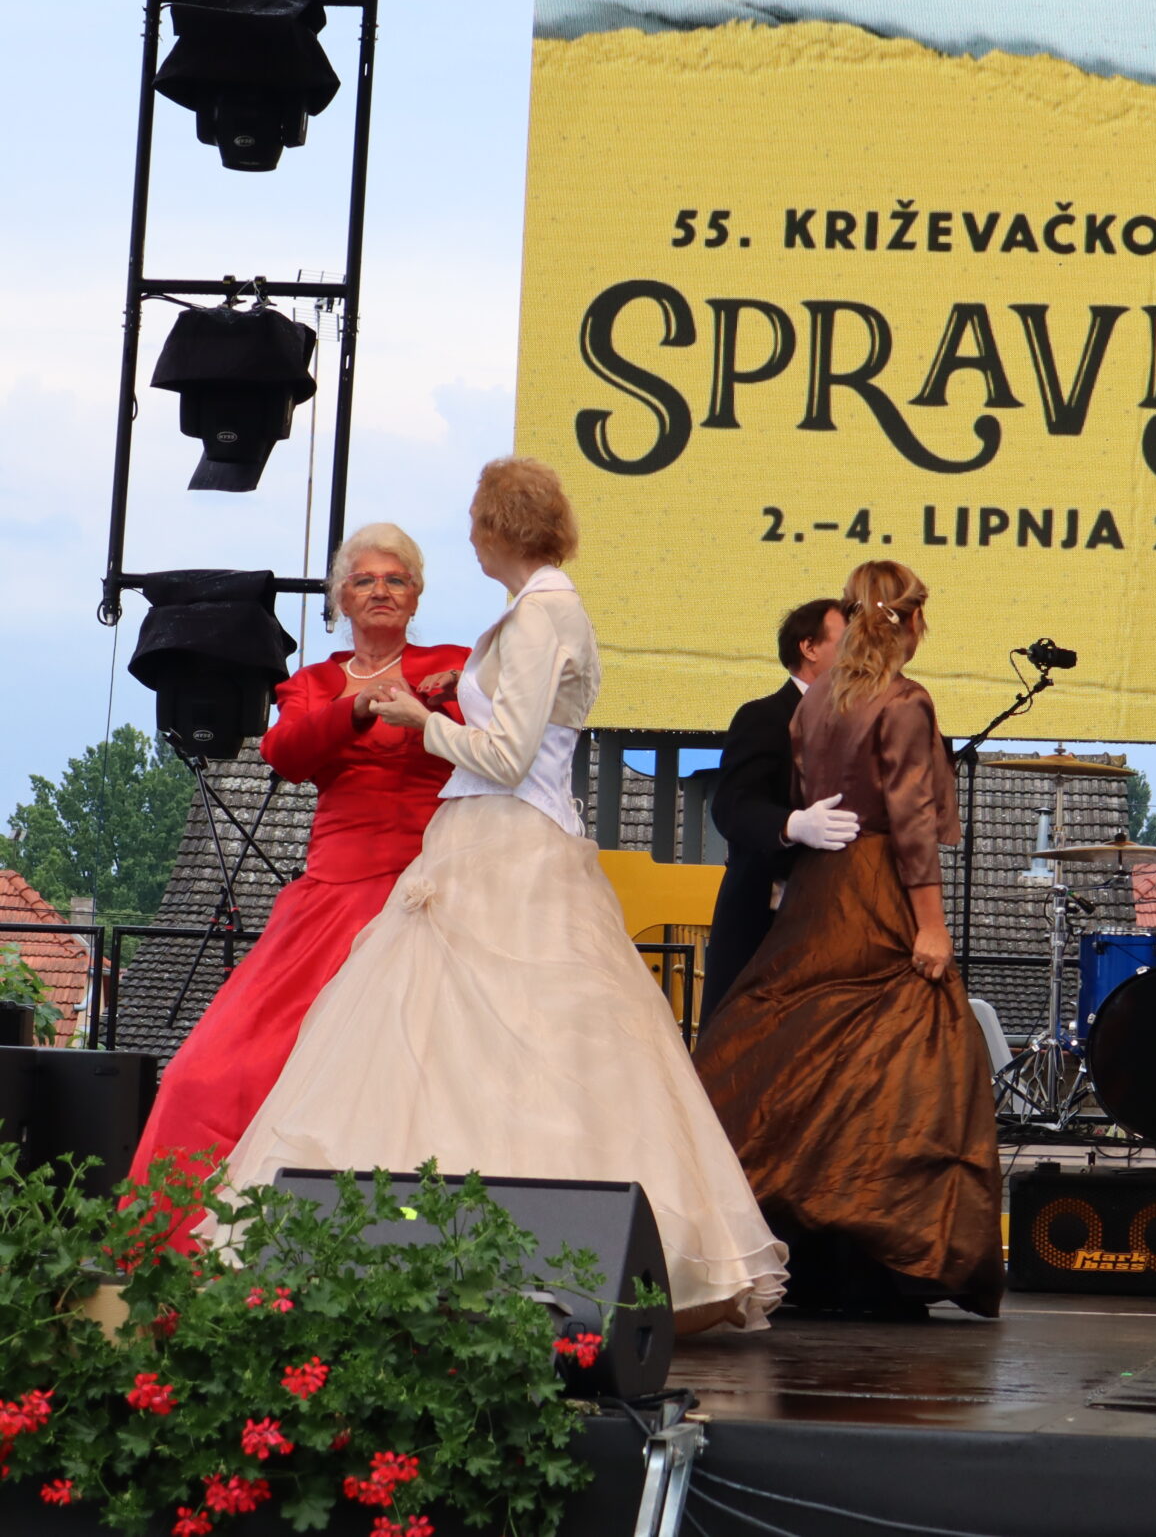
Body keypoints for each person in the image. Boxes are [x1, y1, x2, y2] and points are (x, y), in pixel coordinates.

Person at [223, 459, 787, 1330]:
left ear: (497, 530)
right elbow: (522, 720)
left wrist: (422, 720)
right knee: (480, 1043)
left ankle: (474, 1248)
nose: (472, 539)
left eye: (476, 524)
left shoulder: (540, 614)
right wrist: (459, 689)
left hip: (507, 846)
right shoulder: (537, 610)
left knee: (486, 1043)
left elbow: (507, 756)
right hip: (501, 841)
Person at [691, 560, 1002, 1319]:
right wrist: (931, 925)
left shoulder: (816, 703)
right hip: (879, 891)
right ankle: (893, 1261)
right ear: (908, 621)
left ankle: (806, 1248)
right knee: (915, 1066)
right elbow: (912, 821)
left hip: (818, 893)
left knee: (808, 1063)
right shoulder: (903, 700)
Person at [130, 526, 472, 1182]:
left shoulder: (453, 663)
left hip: (430, 887)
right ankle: (191, 1219)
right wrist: (358, 707)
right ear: (341, 598)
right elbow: (285, 753)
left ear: (416, 594)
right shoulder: (315, 682)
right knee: (216, 1068)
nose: (380, 590)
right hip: (333, 897)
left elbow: (495, 737)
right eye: (364, 580)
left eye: (395, 579)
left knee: (413, 1079)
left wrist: (448, 699)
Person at [701, 597, 860, 1022]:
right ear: (809, 647)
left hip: (843, 921)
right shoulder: (764, 717)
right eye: (848, 641)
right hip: (767, 922)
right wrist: (794, 825)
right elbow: (733, 805)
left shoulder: (865, 722)